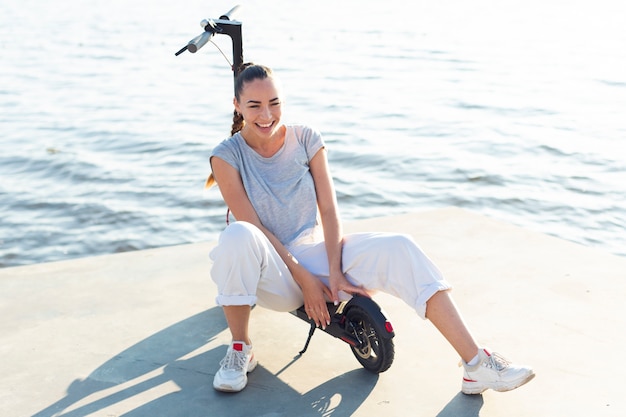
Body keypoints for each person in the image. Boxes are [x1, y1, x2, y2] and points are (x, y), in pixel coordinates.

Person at [207, 63, 535, 394]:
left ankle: (476, 365)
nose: (267, 114)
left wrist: (334, 272)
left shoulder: (307, 138)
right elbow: (254, 226)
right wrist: (305, 280)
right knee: (238, 235)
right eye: (255, 105)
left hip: (312, 254)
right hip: (270, 272)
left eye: (274, 103)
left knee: (399, 246)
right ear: (237, 105)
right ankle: (240, 348)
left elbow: (330, 209)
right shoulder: (226, 155)